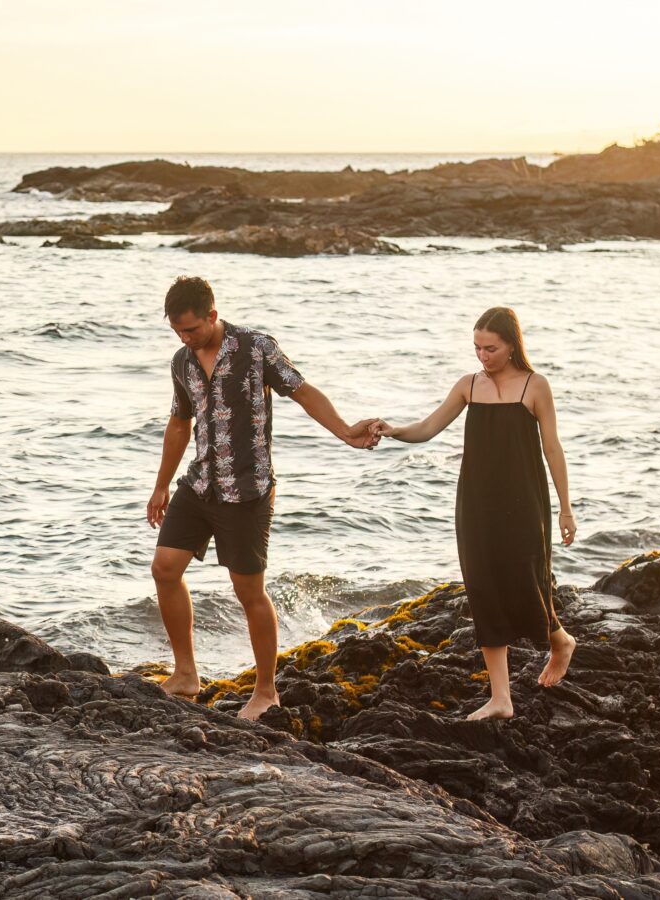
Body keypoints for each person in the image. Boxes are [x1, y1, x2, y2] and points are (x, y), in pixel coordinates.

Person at [145, 276, 378, 721]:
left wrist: (346, 431)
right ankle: (186, 674)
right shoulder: (182, 361)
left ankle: (267, 690)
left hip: (248, 491)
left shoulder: (256, 348)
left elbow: (302, 391)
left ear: (212, 315)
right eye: (177, 331)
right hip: (199, 485)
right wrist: (161, 485)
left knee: (248, 591)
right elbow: (179, 423)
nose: (185, 338)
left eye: (191, 329)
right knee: (164, 568)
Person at [374, 306, 578, 720]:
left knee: (526, 576)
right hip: (477, 500)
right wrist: (394, 430)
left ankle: (559, 640)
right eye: (477, 348)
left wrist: (565, 508)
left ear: (511, 346)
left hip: (525, 498)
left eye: (491, 348)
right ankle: (501, 698)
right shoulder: (468, 386)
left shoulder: (535, 386)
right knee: (483, 585)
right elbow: (428, 428)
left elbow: (552, 448)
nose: (482, 356)